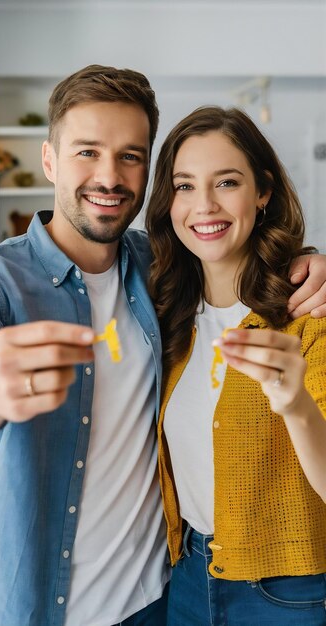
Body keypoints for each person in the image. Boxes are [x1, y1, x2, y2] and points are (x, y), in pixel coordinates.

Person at [0, 68, 325, 626]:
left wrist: (311, 265)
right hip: (41, 606)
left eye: (131, 156)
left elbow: (233, 249)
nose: (108, 176)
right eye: (87, 152)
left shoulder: (157, 271)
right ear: (49, 161)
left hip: (160, 597)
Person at [145, 105, 326, 625]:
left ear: (263, 191)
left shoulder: (307, 315)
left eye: (226, 182)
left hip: (289, 593)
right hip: (185, 580)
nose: (204, 206)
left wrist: (294, 404)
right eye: (184, 186)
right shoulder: (163, 310)